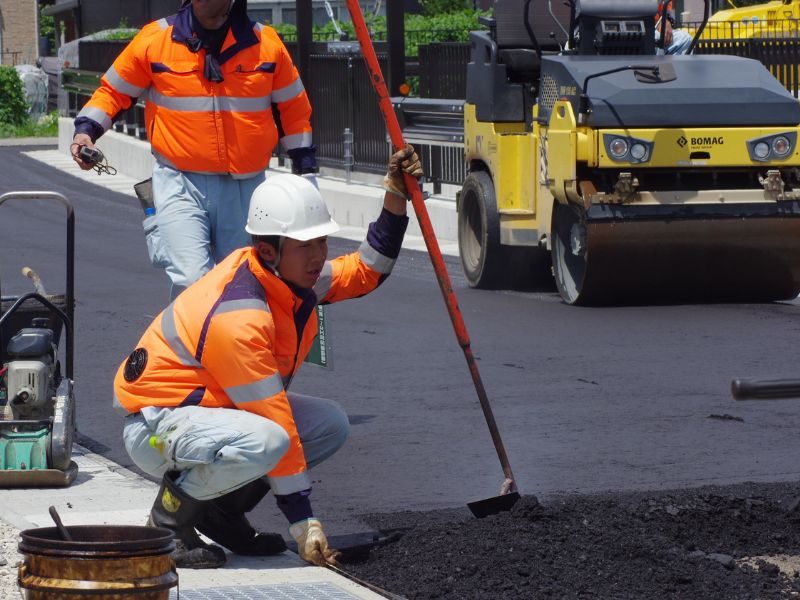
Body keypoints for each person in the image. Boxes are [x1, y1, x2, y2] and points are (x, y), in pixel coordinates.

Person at [112, 146, 424, 569]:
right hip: (159, 424)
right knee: (270, 439)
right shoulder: (238, 315)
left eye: (322, 241)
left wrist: (395, 195)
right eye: (305, 245)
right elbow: (274, 421)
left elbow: (367, 270)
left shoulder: (292, 279)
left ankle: (222, 514)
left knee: (329, 424)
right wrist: (305, 525)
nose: (318, 255)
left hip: (210, 413)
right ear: (269, 250)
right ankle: (168, 522)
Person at [71, 0, 318, 300]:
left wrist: (306, 175)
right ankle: (191, 345)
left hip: (246, 188)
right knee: (192, 281)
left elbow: (294, 112)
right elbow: (113, 92)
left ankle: (232, 345)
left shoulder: (267, 45)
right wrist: (86, 132)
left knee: (242, 285)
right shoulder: (155, 39)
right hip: (179, 182)